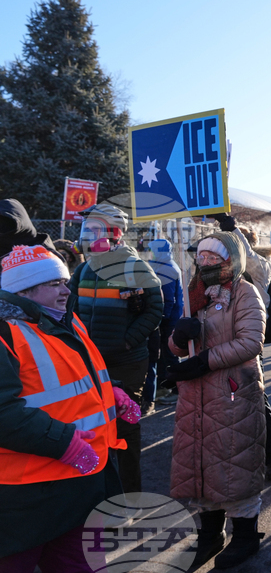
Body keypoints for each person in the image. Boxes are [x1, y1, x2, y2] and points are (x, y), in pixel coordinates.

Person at [0, 244, 138, 570]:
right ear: (24, 289)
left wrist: (112, 393)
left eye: (64, 281)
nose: (66, 289)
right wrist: (64, 443)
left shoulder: (67, 321)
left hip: (80, 484)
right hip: (26, 497)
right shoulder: (6, 333)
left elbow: (77, 377)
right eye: (55, 284)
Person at [167, 232, 267, 571]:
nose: (206, 262)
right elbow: (178, 346)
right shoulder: (193, 291)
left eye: (214, 257)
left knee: (233, 461)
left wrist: (205, 360)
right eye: (203, 256)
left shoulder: (244, 291)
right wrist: (179, 339)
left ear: (230, 260)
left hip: (232, 392)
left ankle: (245, 536)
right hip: (196, 395)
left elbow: (251, 341)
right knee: (201, 461)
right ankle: (210, 534)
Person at [68, 204, 163, 494]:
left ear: (115, 234)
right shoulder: (84, 269)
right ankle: (101, 494)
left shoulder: (134, 267)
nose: (88, 236)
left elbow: (156, 308)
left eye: (95, 230)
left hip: (127, 362)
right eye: (87, 230)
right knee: (94, 428)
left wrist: (127, 339)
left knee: (124, 430)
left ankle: (129, 497)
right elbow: (68, 305)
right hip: (90, 363)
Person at [143, 238, 184, 412]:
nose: (149, 253)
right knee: (162, 353)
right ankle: (164, 386)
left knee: (169, 354)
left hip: (168, 320)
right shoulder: (164, 264)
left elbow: (167, 299)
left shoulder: (166, 268)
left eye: (152, 250)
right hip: (167, 319)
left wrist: (160, 318)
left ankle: (176, 390)